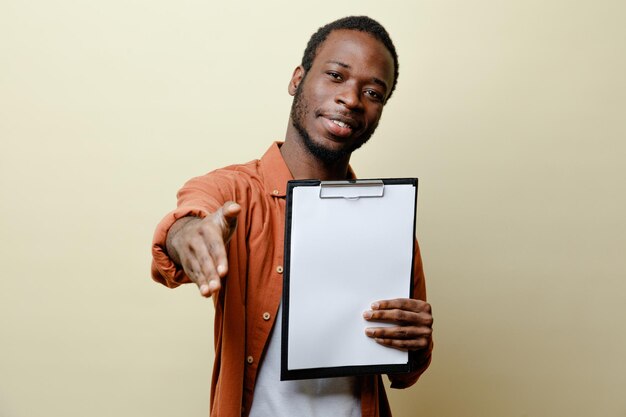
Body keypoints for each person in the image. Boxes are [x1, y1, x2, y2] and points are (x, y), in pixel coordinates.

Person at [151, 16, 433, 417]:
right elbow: (185, 222)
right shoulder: (236, 191)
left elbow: (404, 372)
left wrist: (417, 346)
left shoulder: (390, 220)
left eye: (372, 92)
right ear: (297, 79)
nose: (352, 99)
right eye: (336, 75)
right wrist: (190, 236)